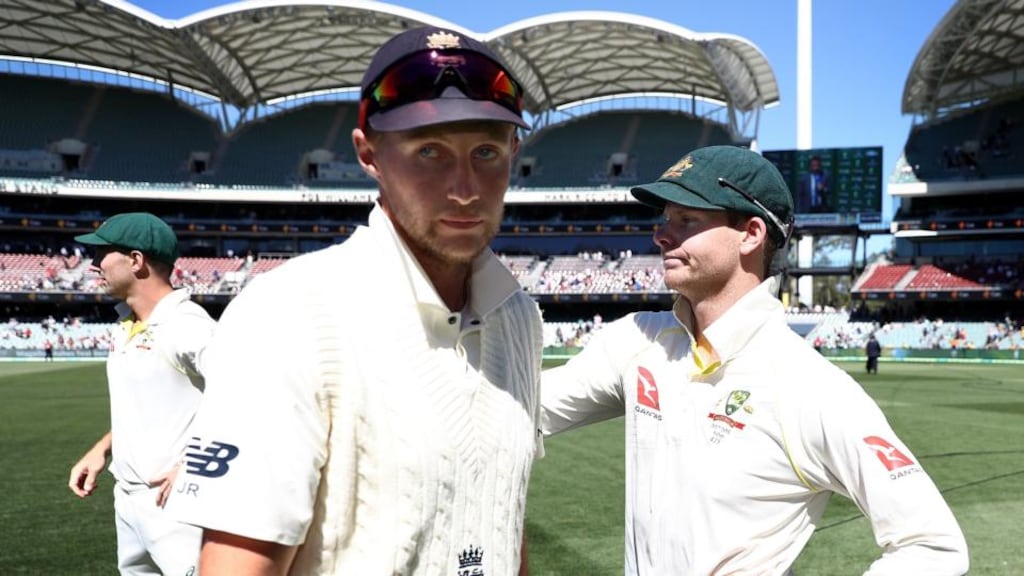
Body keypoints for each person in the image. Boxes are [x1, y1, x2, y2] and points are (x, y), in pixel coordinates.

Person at [166, 26, 544, 576]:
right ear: (369, 153)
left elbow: (501, 514)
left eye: (486, 151)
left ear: (514, 151)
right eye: (429, 151)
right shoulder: (287, 314)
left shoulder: (520, 318)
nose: (464, 187)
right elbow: (236, 566)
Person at [541, 146, 968, 574]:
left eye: (687, 219)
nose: (662, 235)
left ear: (750, 234)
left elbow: (933, 546)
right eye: (665, 219)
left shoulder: (808, 386)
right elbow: (519, 411)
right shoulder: (637, 339)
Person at [68, 212, 215, 575]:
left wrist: (194, 466)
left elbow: (252, 394)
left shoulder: (187, 326)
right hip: (128, 501)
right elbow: (149, 408)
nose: (93, 264)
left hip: (177, 504)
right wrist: (103, 448)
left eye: (102, 254)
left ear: (136, 260)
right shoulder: (127, 325)